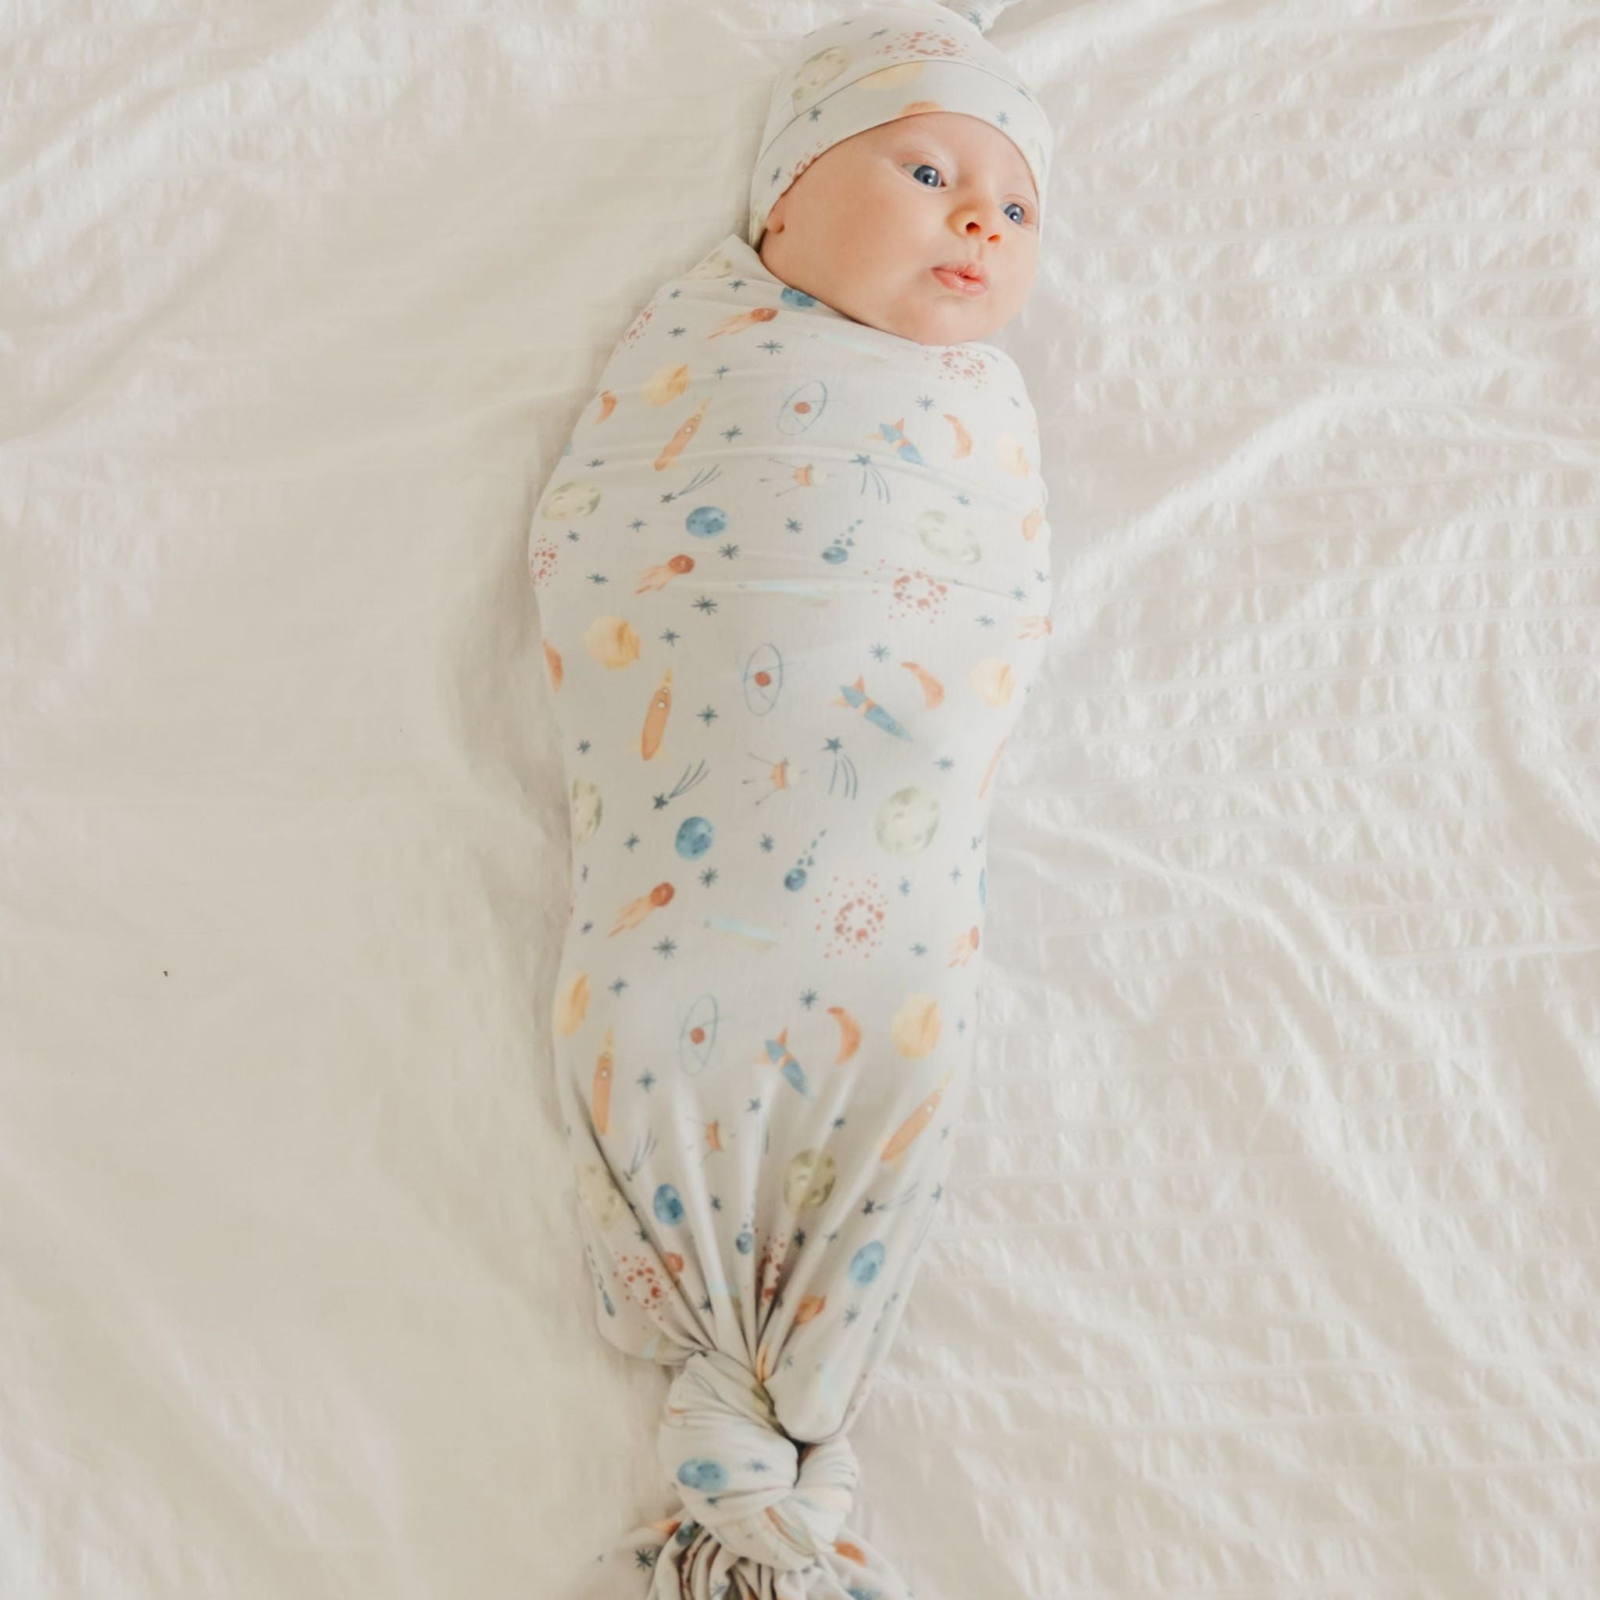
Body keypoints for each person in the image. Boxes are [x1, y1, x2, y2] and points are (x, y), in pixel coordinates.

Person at [530, 7, 1057, 1595]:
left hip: (893, 870)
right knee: (646, 1000)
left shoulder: (976, 411)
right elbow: (608, 534)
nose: (982, 220)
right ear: (782, 205)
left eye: (1018, 207)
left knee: (906, 1037)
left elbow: (991, 607)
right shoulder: (701, 352)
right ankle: (739, 1400)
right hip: (689, 850)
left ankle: (775, 1430)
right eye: (928, 171)